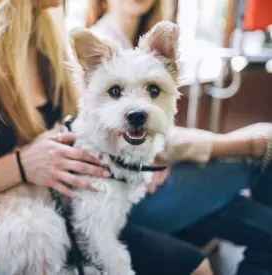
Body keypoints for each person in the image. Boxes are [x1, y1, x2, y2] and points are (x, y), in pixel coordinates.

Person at [0, 0, 211, 274]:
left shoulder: (53, 51)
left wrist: (141, 156)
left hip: (71, 215)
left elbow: (93, 131)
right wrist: (19, 166)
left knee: (196, 264)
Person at [88, 0, 272, 274]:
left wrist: (161, 150)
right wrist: (249, 144)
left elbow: (160, 135)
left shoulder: (151, 40)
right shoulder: (96, 49)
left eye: (152, 89)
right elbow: (110, 133)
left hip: (156, 175)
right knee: (256, 159)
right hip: (121, 195)